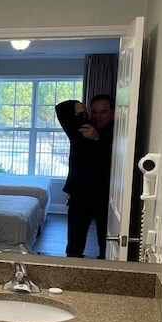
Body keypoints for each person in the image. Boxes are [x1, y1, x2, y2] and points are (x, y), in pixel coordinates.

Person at [55, 94, 115, 259]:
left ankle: (105, 275)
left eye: (103, 112)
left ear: (113, 113)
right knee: (74, 244)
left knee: (107, 243)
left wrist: (97, 137)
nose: (98, 116)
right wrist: (76, 105)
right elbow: (60, 109)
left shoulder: (117, 133)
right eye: (94, 112)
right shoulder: (80, 128)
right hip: (79, 194)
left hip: (106, 196)